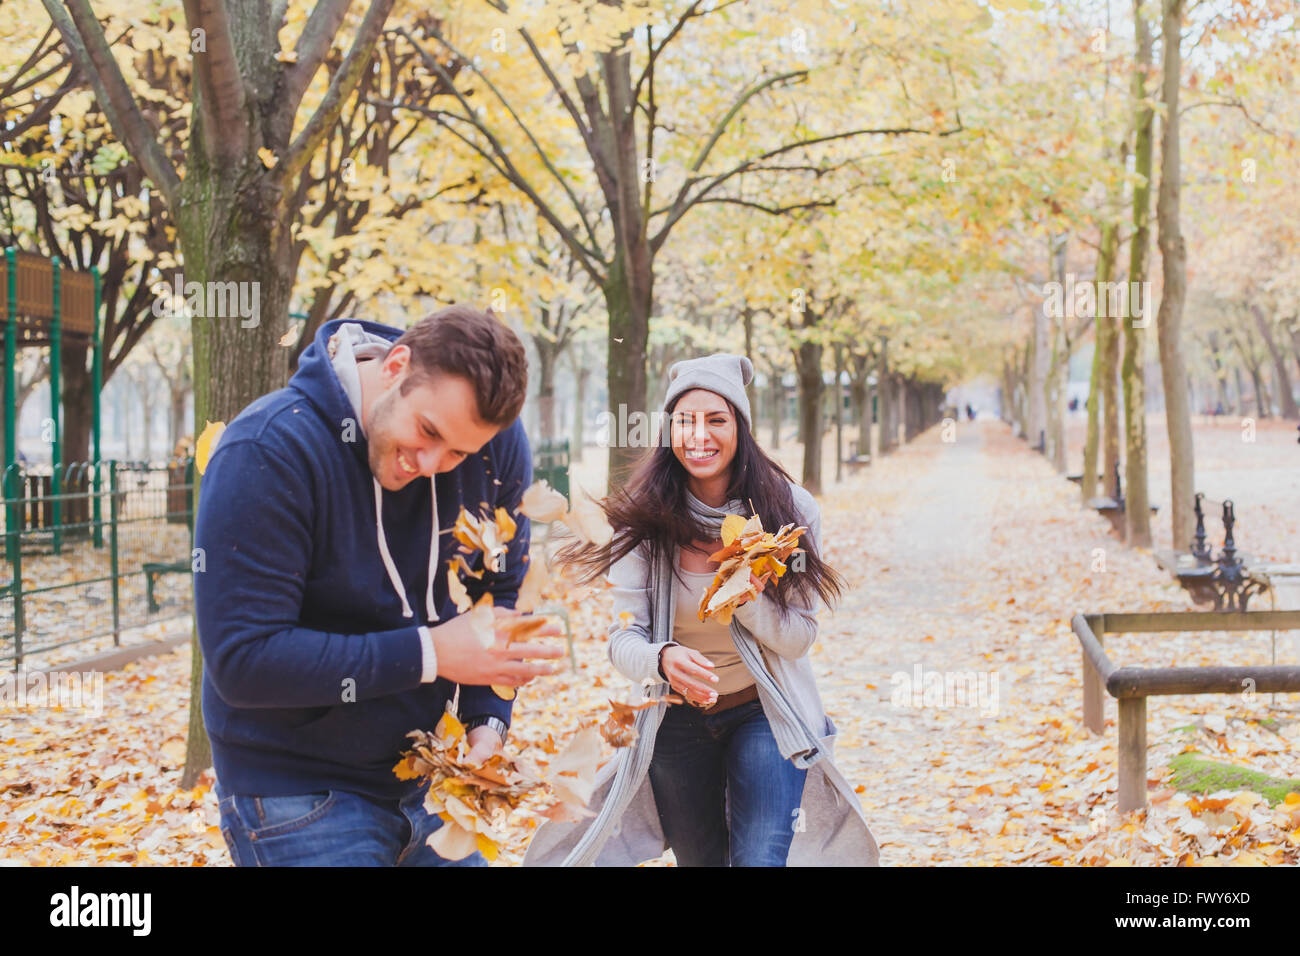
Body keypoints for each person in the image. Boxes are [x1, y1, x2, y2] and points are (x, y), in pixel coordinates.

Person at [195, 306, 564, 867]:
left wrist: (487, 722)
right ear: (395, 366)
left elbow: (499, 590)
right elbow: (244, 662)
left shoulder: (496, 444)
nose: (432, 463)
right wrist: (434, 652)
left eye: (458, 453)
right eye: (428, 431)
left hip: (429, 775)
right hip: (297, 786)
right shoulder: (267, 450)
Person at [523, 353, 879, 867]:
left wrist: (749, 601)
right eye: (685, 421)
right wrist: (663, 659)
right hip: (675, 723)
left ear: (741, 426)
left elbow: (800, 637)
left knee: (759, 859)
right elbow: (624, 640)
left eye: (717, 419)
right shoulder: (643, 521)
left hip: (765, 711)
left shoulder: (790, 513)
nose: (699, 436)